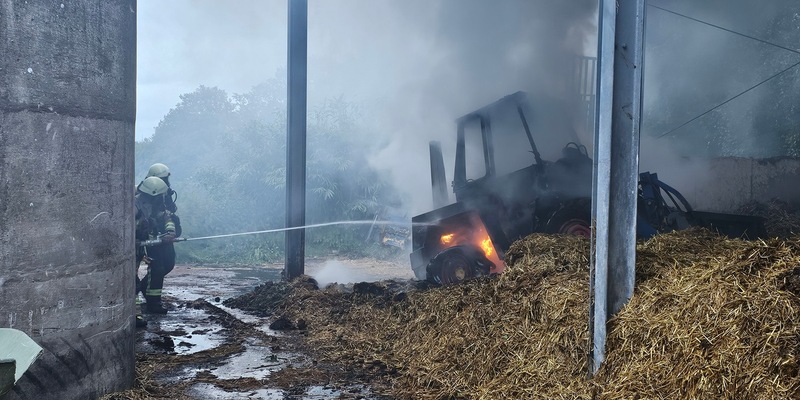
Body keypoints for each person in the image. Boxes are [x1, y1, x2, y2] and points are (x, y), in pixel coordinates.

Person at [135, 175, 181, 316]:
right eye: (160, 196)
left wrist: (170, 232)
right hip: (134, 247)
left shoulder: (153, 204)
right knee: (132, 278)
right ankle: (135, 315)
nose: (162, 198)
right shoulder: (134, 206)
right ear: (153, 195)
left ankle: (150, 302)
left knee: (160, 268)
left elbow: (166, 215)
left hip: (145, 245)